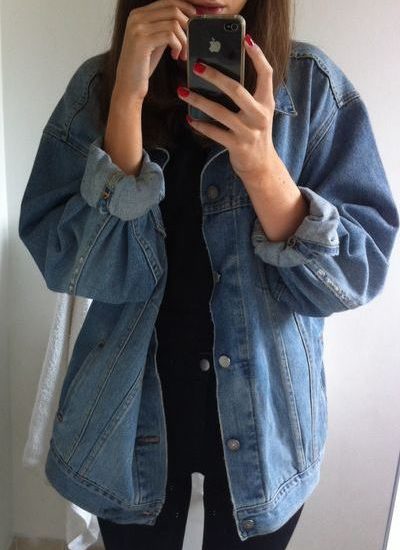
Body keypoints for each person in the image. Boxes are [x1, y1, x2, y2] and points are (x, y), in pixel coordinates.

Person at [18, 0, 398, 549]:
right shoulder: (100, 85)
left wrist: (261, 164)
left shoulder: (312, 88)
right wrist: (125, 101)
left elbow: (357, 272)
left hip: (268, 422)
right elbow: (70, 264)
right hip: (126, 420)